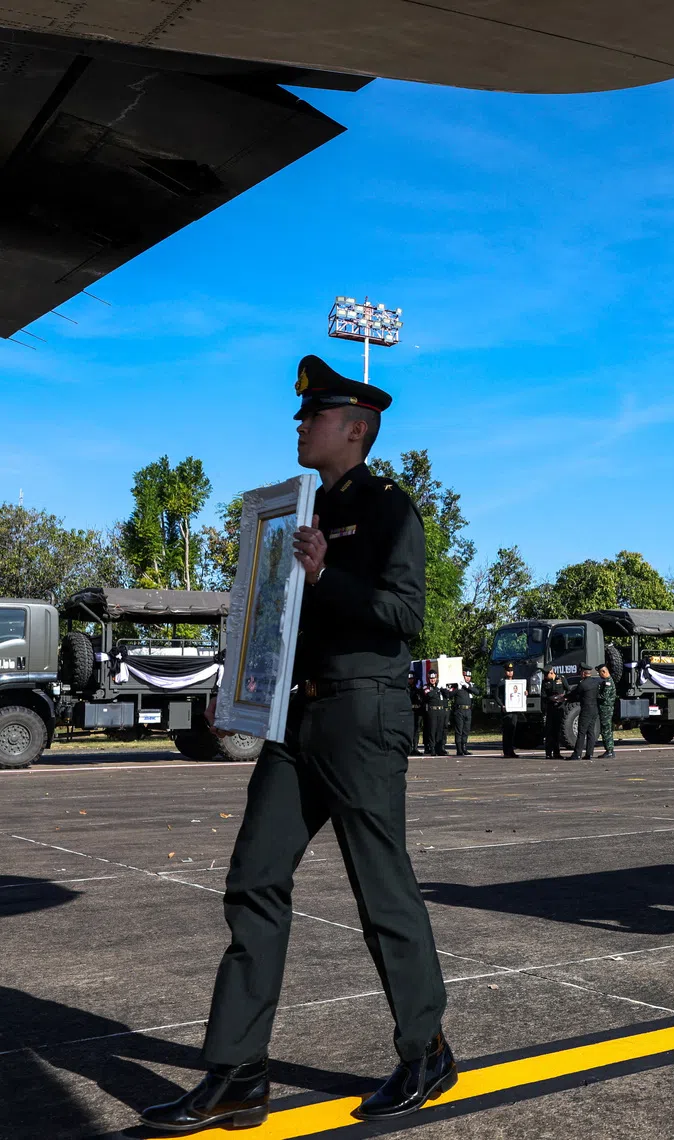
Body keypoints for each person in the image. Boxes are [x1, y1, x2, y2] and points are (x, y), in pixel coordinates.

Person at [141, 355, 453, 1133]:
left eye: (312, 415)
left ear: (355, 428)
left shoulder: (388, 509)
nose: (299, 424)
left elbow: (405, 617)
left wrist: (325, 577)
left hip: (360, 716)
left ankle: (426, 1050)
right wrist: (240, 689)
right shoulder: (296, 511)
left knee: (380, 889)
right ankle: (239, 1073)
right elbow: (277, 626)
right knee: (252, 878)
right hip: (295, 717)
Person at [567, 664, 602, 761]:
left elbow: (575, 694)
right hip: (594, 709)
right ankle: (589, 754)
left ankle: (577, 754)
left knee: (581, 732)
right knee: (590, 732)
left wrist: (566, 698)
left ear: (583, 673)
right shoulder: (595, 683)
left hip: (586, 709)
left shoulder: (582, 684)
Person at [541, 667, 567, 758]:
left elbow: (568, 690)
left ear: (551, 672)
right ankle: (548, 753)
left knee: (557, 731)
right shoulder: (545, 682)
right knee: (549, 732)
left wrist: (564, 698)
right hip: (550, 708)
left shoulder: (561, 679)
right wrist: (550, 699)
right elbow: (543, 696)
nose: (545, 676)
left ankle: (557, 752)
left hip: (559, 708)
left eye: (546, 674)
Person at [423, 670, 448, 756]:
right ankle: (432, 748)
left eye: (434, 678)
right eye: (431, 678)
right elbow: (429, 695)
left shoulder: (440, 687)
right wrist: (437, 689)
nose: (432, 680)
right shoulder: (426, 687)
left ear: (437, 678)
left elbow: (448, 695)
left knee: (440, 730)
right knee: (432, 730)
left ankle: (439, 748)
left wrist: (443, 688)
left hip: (440, 710)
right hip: (432, 711)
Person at [498, 663, 520, 758]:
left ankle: (511, 751)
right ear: (505, 671)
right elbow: (496, 695)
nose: (510, 672)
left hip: (514, 709)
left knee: (512, 730)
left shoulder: (516, 682)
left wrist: (525, 692)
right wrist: (502, 705)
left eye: (511, 670)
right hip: (506, 710)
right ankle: (506, 751)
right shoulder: (502, 682)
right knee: (507, 732)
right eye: (508, 670)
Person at [451, 669, 475, 757]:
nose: (468, 678)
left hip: (468, 710)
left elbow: (477, 692)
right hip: (459, 710)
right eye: (466, 676)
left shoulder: (470, 686)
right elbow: (449, 695)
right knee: (459, 730)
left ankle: (464, 747)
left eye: (469, 676)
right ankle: (459, 749)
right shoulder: (458, 686)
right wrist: (457, 688)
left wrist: (468, 686)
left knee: (466, 730)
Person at [598, 663, 618, 759]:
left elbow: (604, 697)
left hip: (606, 709)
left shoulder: (608, 682)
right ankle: (610, 750)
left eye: (600, 673)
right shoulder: (607, 681)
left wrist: (594, 696)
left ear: (604, 672)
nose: (599, 675)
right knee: (607, 729)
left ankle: (609, 750)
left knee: (606, 730)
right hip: (606, 708)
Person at [409, 672, 424, 756]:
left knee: (417, 730)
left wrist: (419, 689)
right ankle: (409, 747)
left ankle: (415, 747)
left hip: (418, 710)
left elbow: (422, 698)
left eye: (412, 679)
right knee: (410, 730)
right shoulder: (407, 688)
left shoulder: (418, 688)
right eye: (409, 679)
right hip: (410, 711)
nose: (410, 680)